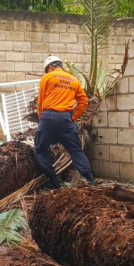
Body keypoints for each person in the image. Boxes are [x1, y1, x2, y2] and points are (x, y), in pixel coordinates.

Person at [34, 55, 96, 189]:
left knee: (40, 149)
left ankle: (54, 182)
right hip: (66, 119)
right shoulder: (74, 80)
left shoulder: (47, 77)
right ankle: (91, 180)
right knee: (76, 151)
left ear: (50, 67)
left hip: (48, 117)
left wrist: (41, 121)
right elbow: (84, 101)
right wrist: (74, 117)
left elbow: (40, 102)